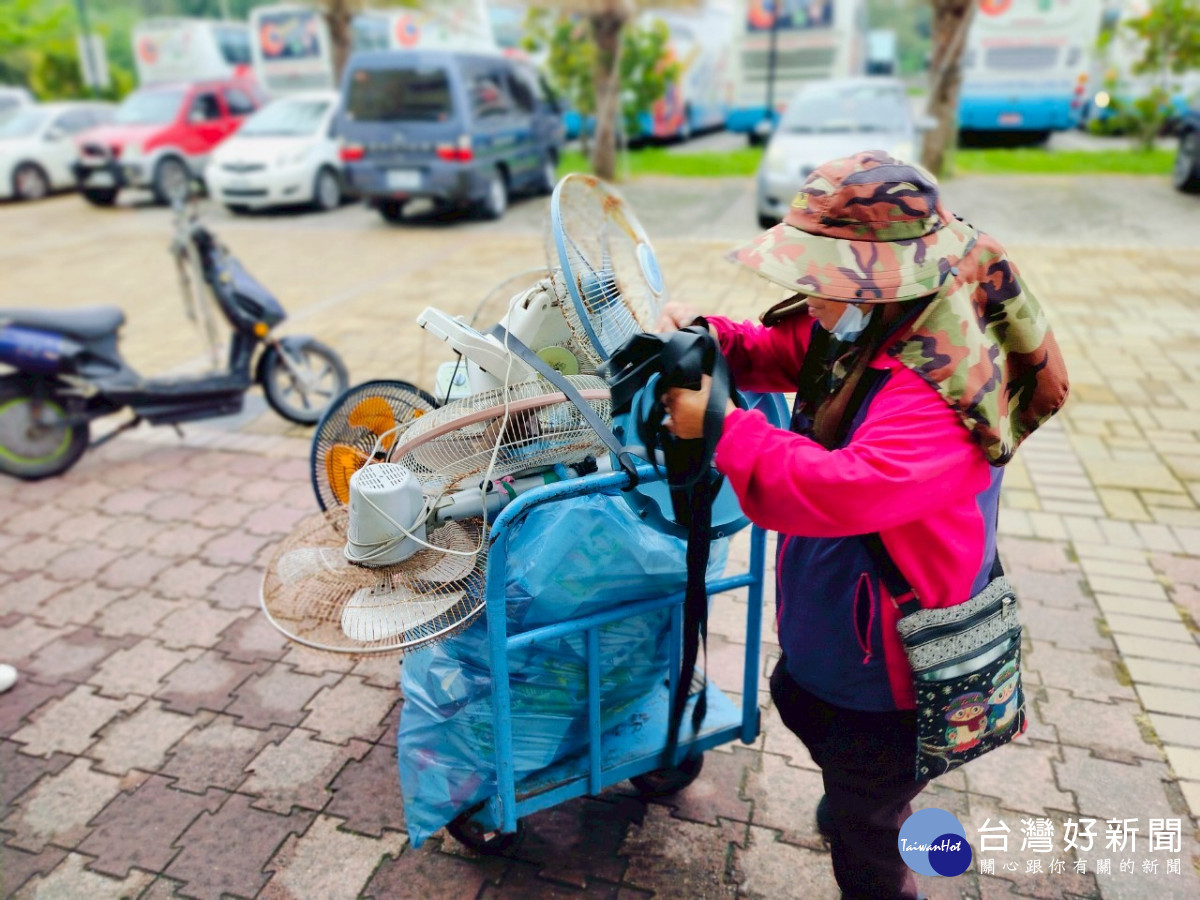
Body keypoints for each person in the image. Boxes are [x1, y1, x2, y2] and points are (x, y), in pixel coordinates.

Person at [657, 150, 1068, 900]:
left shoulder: (936, 386)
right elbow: (787, 349)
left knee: (866, 814)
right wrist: (709, 335)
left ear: (881, 278)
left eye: (823, 281)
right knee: (816, 717)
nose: (810, 299)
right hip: (851, 618)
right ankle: (863, 800)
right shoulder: (879, 318)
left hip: (891, 663)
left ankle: (873, 831)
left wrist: (720, 426)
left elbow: (844, 488)